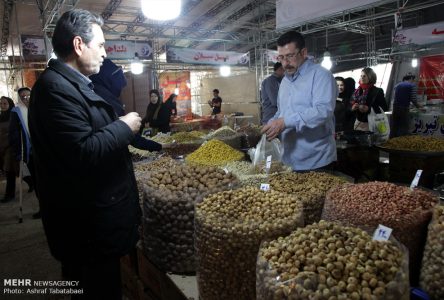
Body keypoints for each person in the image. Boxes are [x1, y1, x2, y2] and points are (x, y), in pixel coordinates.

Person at [28, 9, 142, 300]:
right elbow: (83, 151)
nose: (105, 53)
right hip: (85, 229)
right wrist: (123, 126)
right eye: (101, 45)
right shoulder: (55, 90)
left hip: (91, 222)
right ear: (79, 45)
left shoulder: (70, 84)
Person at [261, 31, 337, 171]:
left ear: (303, 52)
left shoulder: (321, 75)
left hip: (316, 160)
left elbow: (322, 111)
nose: (285, 63)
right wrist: (272, 124)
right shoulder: (285, 81)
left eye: (290, 56)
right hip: (289, 159)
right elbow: (282, 111)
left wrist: (285, 122)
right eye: (281, 57)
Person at [91, 58, 161, 151]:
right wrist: (128, 126)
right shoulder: (106, 102)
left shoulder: (94, 93)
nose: (120, 91)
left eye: (155, 96)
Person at [9, 88, 35, 195]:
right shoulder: (16, 111)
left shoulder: (37, 107)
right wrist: (17, 151)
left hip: (41, 146)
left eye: (28, 96)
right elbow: (14, 133)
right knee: (32, 172)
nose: (26, 99)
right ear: (19, 98)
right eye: (23, 97)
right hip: (28, 147)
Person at [0, 96, 17, 202]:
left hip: (10, 147)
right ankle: (30, 182)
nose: (2, 106)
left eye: (5, 103)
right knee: (6, 169)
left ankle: (9, 195)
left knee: (9, 171)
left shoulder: (13, 116)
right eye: (1, 104)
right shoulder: (0, 116)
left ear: (10, 104)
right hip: (1, 147)